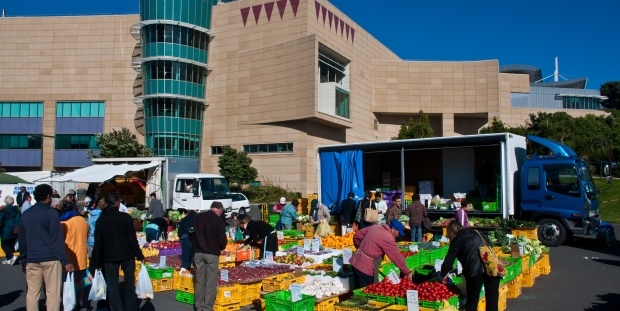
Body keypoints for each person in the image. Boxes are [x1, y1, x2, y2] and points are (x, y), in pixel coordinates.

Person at [18, 183, 75, 311]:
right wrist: (65, 260)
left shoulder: (26, 214)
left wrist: (24, 259)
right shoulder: (51, 213)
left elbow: (22, 240)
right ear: (48, 196)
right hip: (50, 257)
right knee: (52, 293)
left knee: (32, 293)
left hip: (32, 258)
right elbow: (57, 239)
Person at [92, 192, 145, 311]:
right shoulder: (126, 217)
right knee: (130, 284)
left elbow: (98, 242)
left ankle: (116, 308)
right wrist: (139, 255)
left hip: (109, 256)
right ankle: (130, 308)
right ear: (117, 202)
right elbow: (133, 240)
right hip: (127, 255)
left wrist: (97, 263)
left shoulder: (101, 220)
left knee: (112, 286)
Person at [441, 220, 500, 311]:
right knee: (492, 299)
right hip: (491, 266)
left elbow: (448, 262)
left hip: (475, 271)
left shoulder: (456, 240)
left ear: (451, 231)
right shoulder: (476, 232)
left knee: (472, 301)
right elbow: (489, 244)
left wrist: (442, 274)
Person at [350, 219, 411, 288]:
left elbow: (357, 236)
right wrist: (406, 272)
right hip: (365, 268)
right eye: (398, 233)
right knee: (367, 293)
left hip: (355, 262)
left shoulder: (375, 227)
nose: (398, 236)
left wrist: (361, 248)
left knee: (358, 292)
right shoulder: (388, 238)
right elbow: (397, 257)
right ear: (393, 229)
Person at [189, 201, 227, 311]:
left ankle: (198, 306)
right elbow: (222, 240)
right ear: (219, 209)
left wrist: (196, 244)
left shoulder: (198, 217)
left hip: (198, 253)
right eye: (221, 211)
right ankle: (207, 307)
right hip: (211, 253)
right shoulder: (218, 221)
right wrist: (220, 246)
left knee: (200, 280)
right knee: (210, 282)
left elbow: (190, 232)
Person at [59, 201, 89, 309]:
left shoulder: (63, 222)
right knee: (79, 279)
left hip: (68, 253)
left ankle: (68, 300)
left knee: (67, 280)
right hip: (81, 252)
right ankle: (80, 300)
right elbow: (87, 232)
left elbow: (60, 239)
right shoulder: (82, 220)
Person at [0, 195, 20, 265]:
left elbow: (1, 220)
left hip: (6, 229)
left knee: (4, 244)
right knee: (11, 243)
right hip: (15, 229)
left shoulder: (4, 210)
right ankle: (9, 259)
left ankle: (11, 256)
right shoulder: (16, 210)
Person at [178, 208, 197, 277]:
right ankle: (194, 274)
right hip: (195, 240)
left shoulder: (184, 219)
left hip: (184, 239)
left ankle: (183, 274)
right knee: (195, 258)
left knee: (185, 258)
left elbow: (179, 233)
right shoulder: (198, 219)